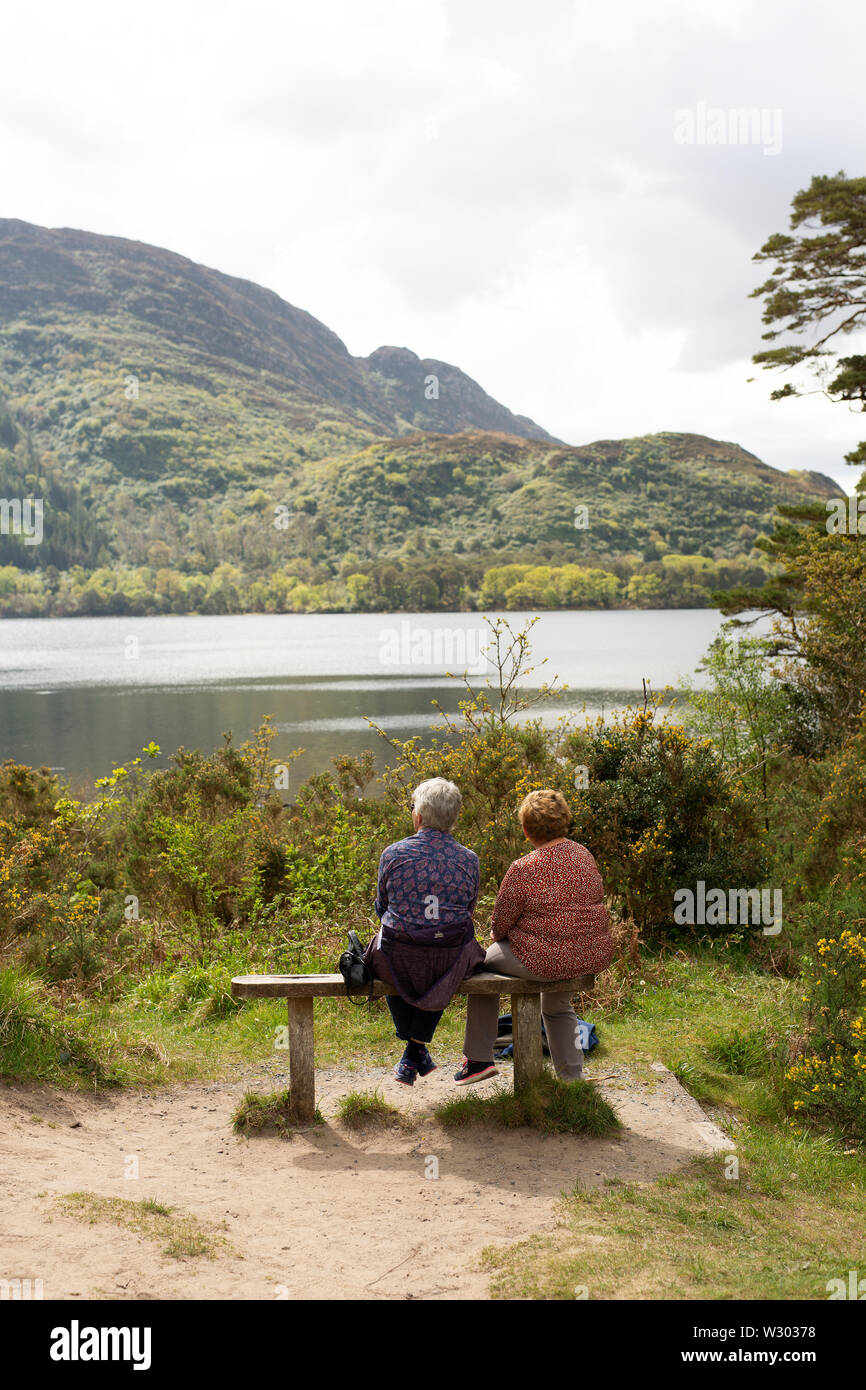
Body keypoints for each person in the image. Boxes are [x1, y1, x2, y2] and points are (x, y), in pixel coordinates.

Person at [456, 788, 613, 1085]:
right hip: (588, 955)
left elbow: (500, 924)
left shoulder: (524, 867)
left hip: (544, 959)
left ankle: (478, 1060)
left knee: (478, 964)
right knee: (556, 1007)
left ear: (527, 830)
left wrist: (499, 935)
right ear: (564, 820)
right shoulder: (584, 855)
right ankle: (572, 1078)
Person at [364, 777, 485, 1085]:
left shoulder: (393, 854)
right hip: (448, 958)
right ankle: (415, 1049)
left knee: (383, 948)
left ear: (417, 816)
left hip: (399, 958)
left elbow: (382, 907)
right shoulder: (469, 860)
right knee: (450, 959)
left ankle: (412, 1049)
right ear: (454, 818)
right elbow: (467, 910)